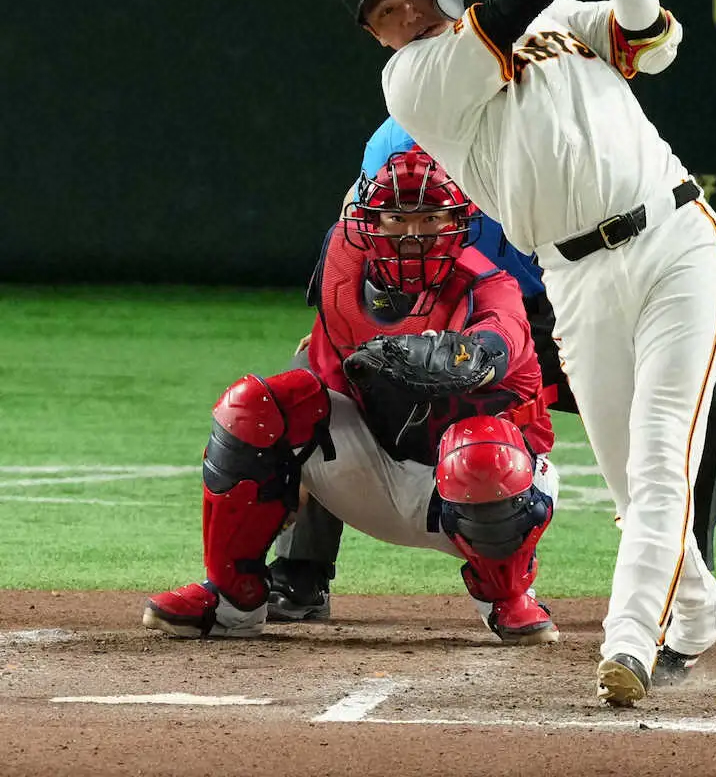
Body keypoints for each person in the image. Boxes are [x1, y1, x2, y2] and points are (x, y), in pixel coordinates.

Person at [333, 0, 716, 706]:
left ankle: (627, 645)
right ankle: (700, 609)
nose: (405, 11)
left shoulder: (564, 17)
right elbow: (507, 12)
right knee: (627, 484)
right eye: (384, 12)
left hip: (680, 243)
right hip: (576, 280)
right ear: (378, 37)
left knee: (655, 468)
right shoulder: (415, 81)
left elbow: (655, 42)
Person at [268, 115, 716, 626]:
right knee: (320, 377)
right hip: (453, 312)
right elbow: (361, 222)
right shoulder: (406, 126)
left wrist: (702, 247)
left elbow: (642, 215)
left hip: (572, 314)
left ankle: (680, 576)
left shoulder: (563, 126)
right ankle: (301, 570)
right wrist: (337, 323)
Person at [144, 147, 560, 645]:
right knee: (251, 407)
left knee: (481, 446)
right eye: (396, 218)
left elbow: (493, 349)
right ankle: (233, 599)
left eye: (430, 218)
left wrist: (440, 358)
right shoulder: (342, 259)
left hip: (473, 490)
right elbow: (310, 383)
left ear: (458, 221)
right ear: (369, 220)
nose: (412, 234)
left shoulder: (491, 287)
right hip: (372, 463)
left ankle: (507, 596)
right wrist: (262, 464)